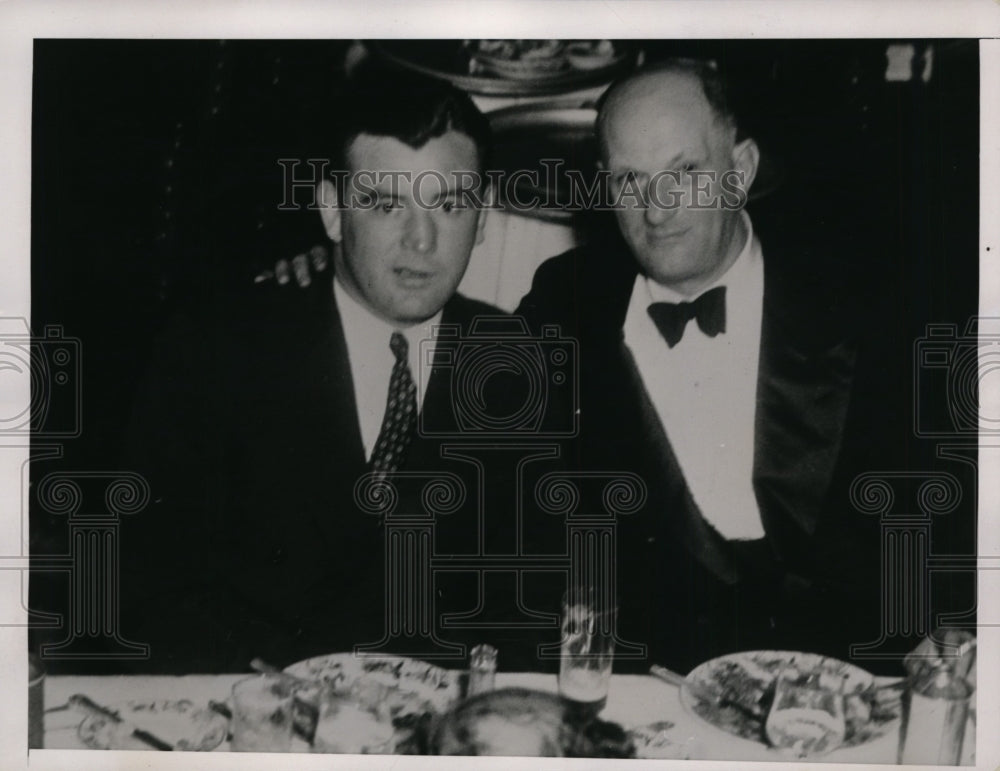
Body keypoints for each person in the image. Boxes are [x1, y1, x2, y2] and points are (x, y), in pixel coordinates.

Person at [120, 68, 562, 673]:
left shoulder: (517, 363)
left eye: (450, 204)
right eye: (384, 204)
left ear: (481, 217)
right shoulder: (217, 347)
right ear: (333, 212)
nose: (421, 239)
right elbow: (147, 580)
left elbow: (531, 601)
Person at [517, 59, 886, 672]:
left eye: (683, 172)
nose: (656, 211)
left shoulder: (858, 304)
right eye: (629, 181)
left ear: (739, 171)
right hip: (649, 691)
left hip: (844, 686)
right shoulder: (565, 305)